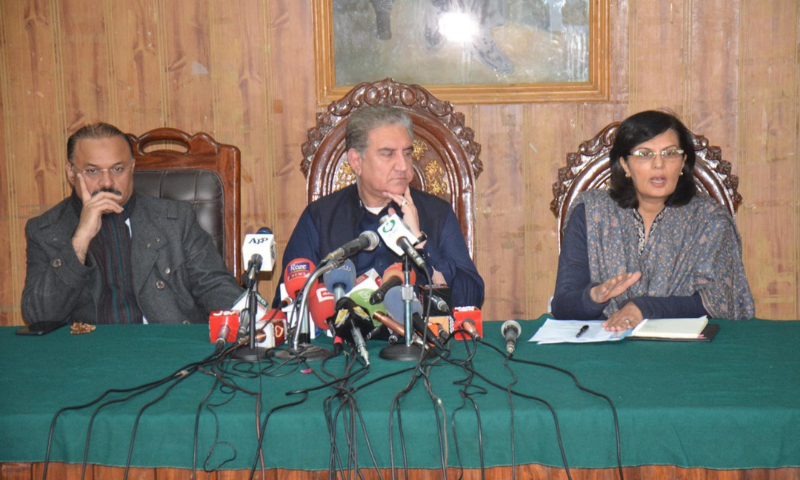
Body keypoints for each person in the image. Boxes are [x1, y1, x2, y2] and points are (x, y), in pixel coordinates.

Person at [21, 123, 243, 325]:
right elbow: (38, 317)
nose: (106, 182)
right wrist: (79, 241)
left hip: (168, 348)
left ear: (132, 167)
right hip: (88, 357)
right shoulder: (45, 231)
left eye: (117, 169)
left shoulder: (176, 219)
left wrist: (253, 320)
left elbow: (214, 286)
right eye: (92, 171)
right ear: (71, 172)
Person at [551, 110, 754, 330]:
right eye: (645, 154)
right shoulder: (590, 213)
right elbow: (563, 305)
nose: (659, 165)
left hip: (685, 353)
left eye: (670, 153)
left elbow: (721, 302)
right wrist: (594, 296)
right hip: (605, 344)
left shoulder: (709, 220)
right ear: (625, 165)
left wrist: (644, 308)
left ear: (683, 162)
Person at [275, 105, 484, 308]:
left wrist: (420, 242)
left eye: (407, 153)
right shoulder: (320, 217)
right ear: (356, 161)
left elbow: (470, 298)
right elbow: (288, 303)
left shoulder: (437, 213)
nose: (403, 166)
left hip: (419, 341)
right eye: (388, 154)